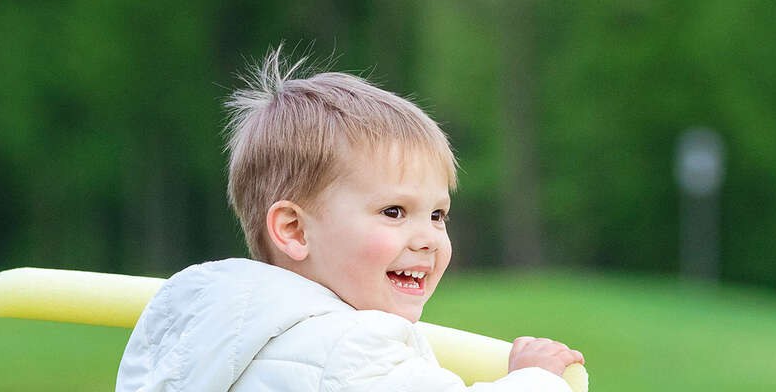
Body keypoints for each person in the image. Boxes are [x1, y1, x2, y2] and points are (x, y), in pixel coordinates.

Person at [116, 50, 583, 392]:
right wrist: (535, 378)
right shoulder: (352, 352)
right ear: (294, 230)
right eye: (394, 212)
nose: (428, 240)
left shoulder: (198, 329)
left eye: (438, 214)